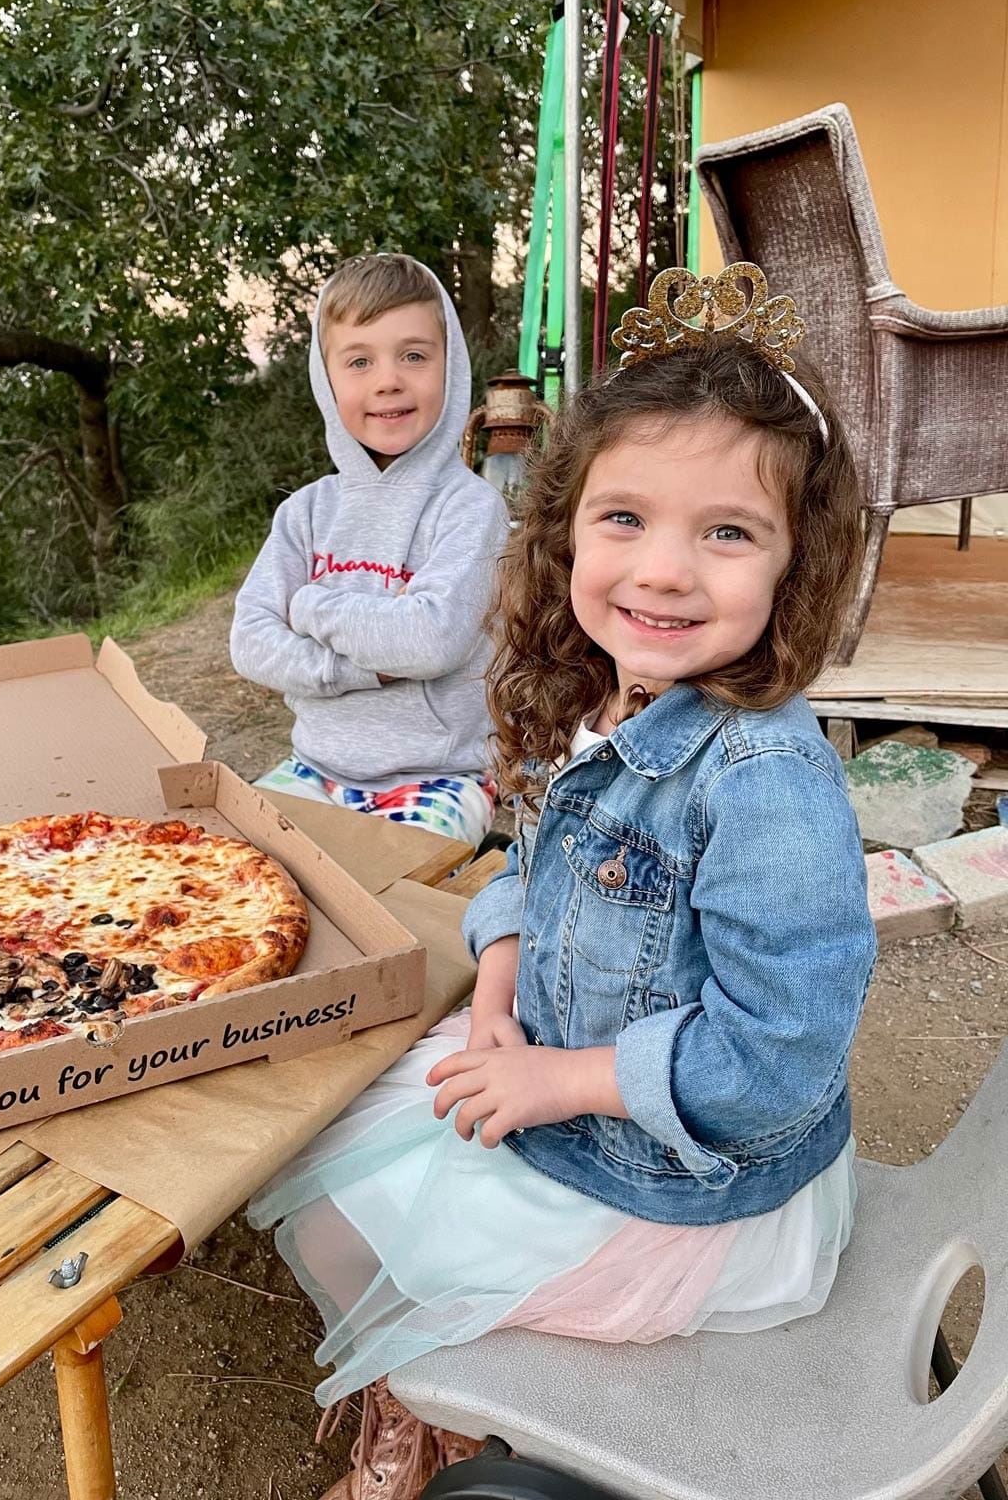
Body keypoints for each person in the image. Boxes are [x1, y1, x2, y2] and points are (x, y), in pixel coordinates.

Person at [250, 266, 877, 1499]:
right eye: (625, 519)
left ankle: (446, 1409)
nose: (664, 571)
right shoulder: (617, 699)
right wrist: (496, 969)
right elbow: (542, 865)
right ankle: (418, 1391)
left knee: (358, 1213)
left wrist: (553, 1078)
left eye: (728, 532)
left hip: (689, 1190)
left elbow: (778, 1061)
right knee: (316, 1121)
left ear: (795, 567)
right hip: (573, 1076)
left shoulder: (765, 780)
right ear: (567, 531)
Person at [230, 253, 509, 849]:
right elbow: (251, 641)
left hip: (440, 778)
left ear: (450, 366)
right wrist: (364, 664)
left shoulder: (470, 508)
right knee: (231, 875)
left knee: (389, 907)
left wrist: (308, 607)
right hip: (312, 769)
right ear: (327, 381)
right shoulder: (305, 512)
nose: (388, 380)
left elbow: (429, 640)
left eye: (413, 355)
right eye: (359, 361)